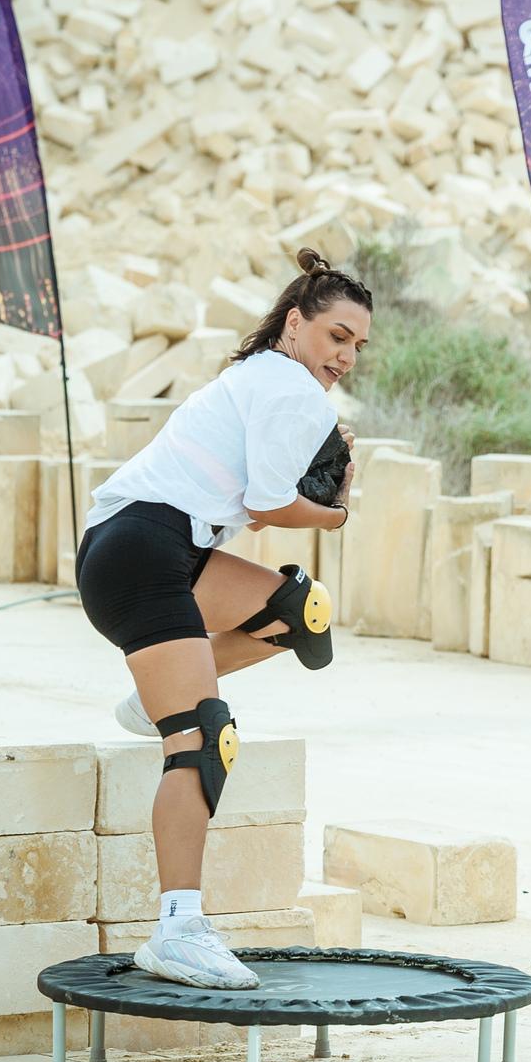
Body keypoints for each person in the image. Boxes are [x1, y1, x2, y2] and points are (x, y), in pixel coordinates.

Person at [74, 248, 371, 986]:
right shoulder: (295, 392)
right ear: (295, 323)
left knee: (299, 611)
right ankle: (177, 931)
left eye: (359, 346)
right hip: (145, 551)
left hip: (152, 545)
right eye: (337, 335)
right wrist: (335, 513)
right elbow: (271, 507)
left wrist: (315, 482)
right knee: (203, 738)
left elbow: (261, 503)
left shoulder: (261, 376)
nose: (346, 356)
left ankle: (149, 699)